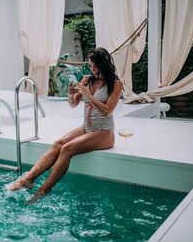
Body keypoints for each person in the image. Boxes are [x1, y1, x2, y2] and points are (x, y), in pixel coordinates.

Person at [10, 47, 123, 204]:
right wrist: (71, 93)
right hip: (86, 127)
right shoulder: (88, 80)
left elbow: (108, 111)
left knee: (67, 149)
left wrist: (88, 95)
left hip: (104, 132)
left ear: (104, 64)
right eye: (90, 66)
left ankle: (43, 191)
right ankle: (28, 179)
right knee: (58, 144)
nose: (93, 70)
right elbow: (73, 104)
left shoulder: (115, 84)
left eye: (95, 66)